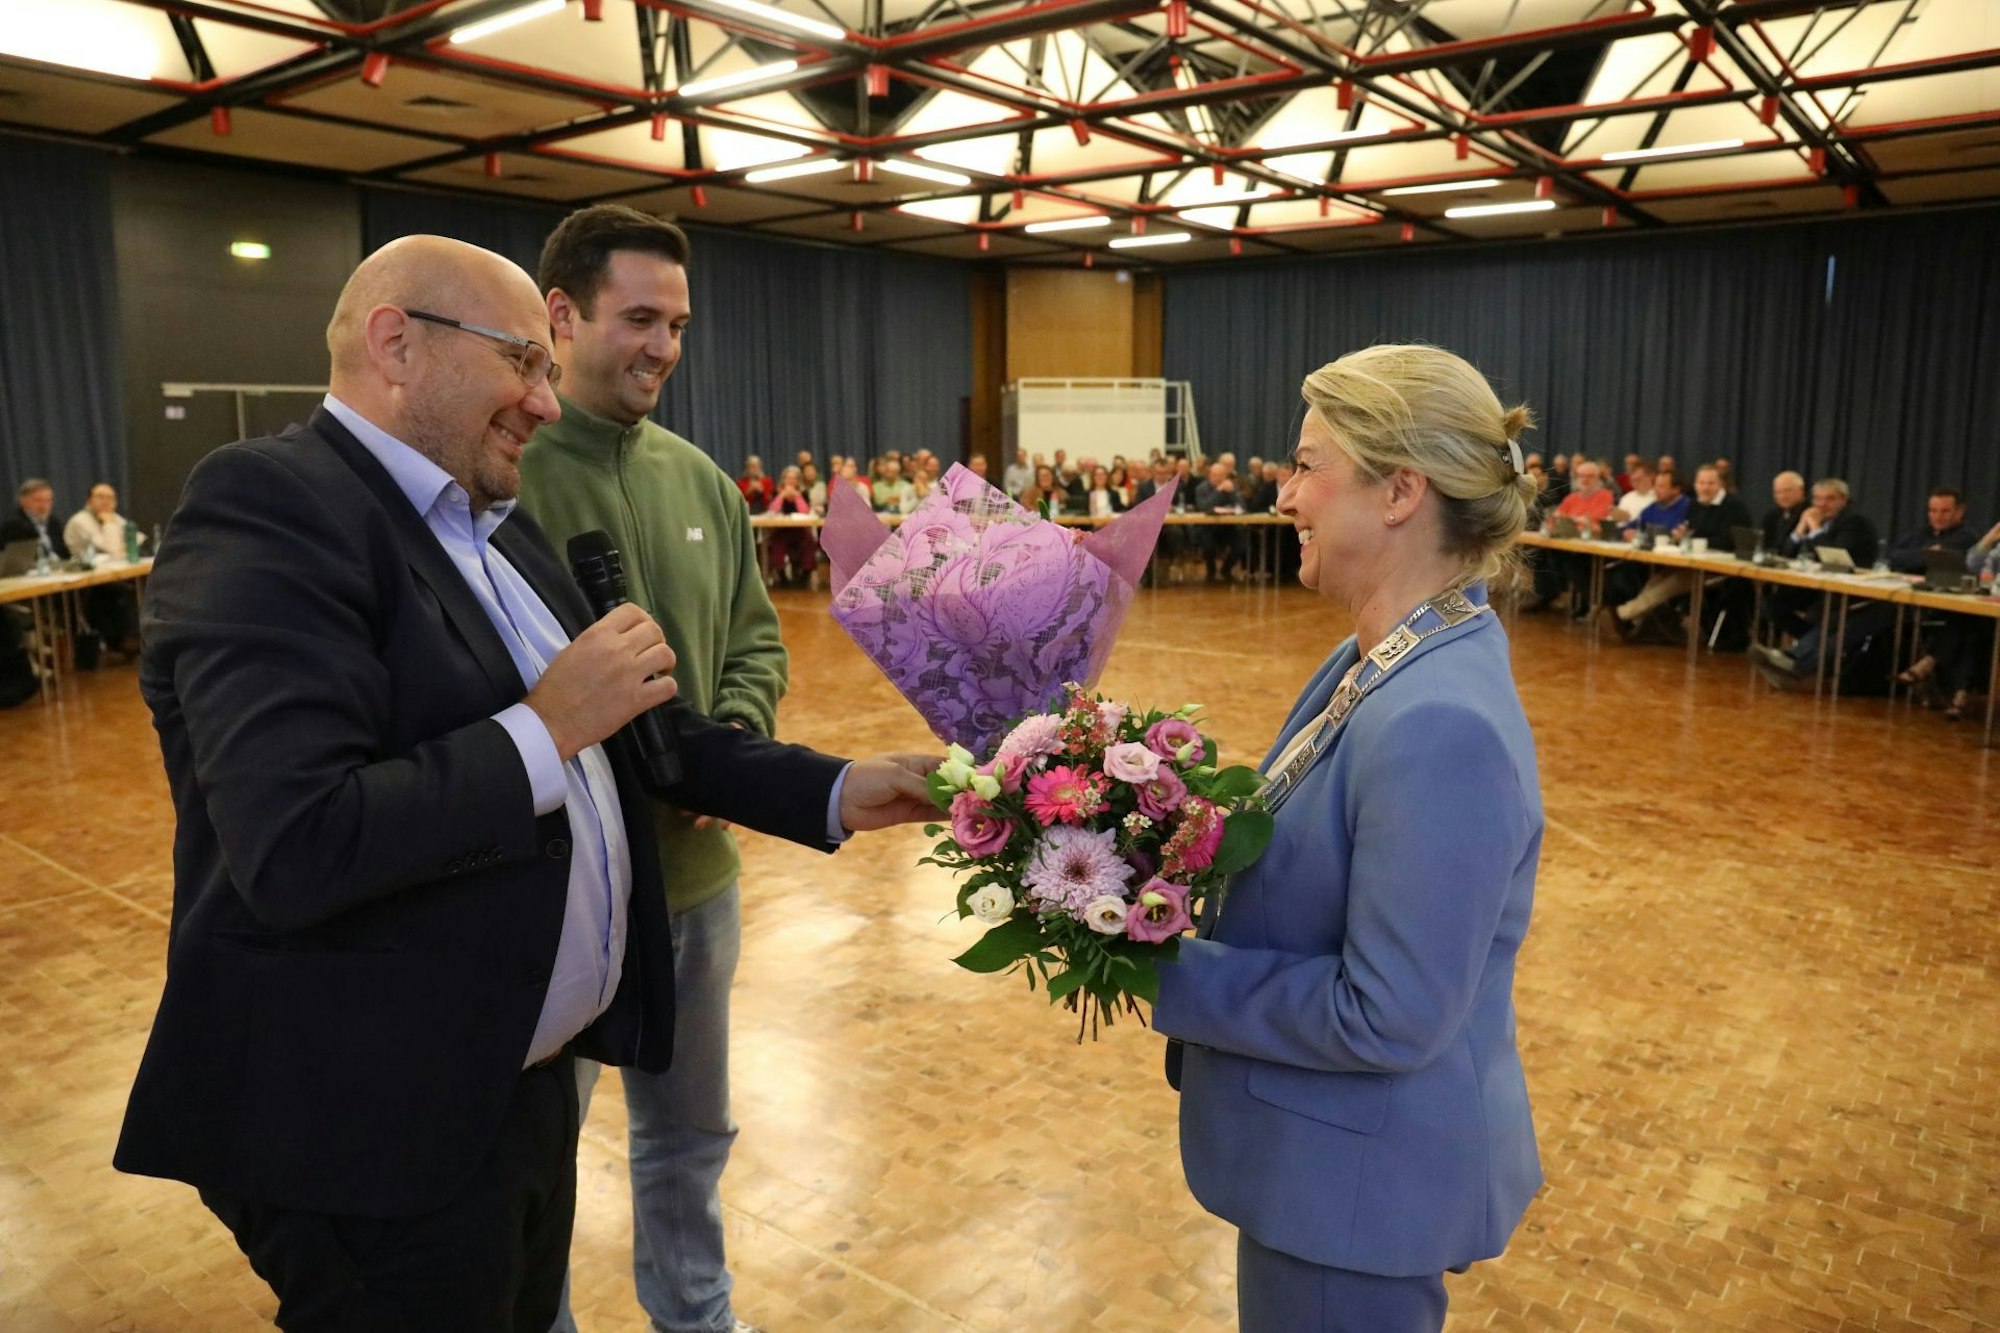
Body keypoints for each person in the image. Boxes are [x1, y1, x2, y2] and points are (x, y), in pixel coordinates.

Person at [112, 234, 936, 1332]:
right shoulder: (271, 504)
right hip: (380, 1126)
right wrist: (544, 726)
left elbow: (651, 733)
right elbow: (297, 840)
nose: (546, 404)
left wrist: (839, 787)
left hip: (514, 1087)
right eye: (523, 362)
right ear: (396, 343)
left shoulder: (498, 532)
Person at [1155, 344, 1542, 1333]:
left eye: (1304, 465)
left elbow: (1388, 1013)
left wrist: (1158, 971)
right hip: (1325, 1168)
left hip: (1354, 1193)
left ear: (1400, 490)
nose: (1284, 495)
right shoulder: (1374, 655)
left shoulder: (1435, 719)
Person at [519, 204, 805, 1333]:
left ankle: (695, 1314)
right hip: (558, 894)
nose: (662, 348)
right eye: (639, 318)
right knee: (536, 1147)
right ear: (561, 314)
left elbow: (756, 636)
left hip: (697, 889)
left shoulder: (699, 481)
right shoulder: (500, 477)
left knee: (689, 1138)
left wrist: (719, 750)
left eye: (677, 325)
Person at [64, 481, 144, 658]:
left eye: (110, 497)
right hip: (86, 584)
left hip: (112, 577)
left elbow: (137, 540)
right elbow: (112, 547)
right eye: (100, 497)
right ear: (89, 500)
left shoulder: (114, 517)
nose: (106, 502)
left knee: (144, 583)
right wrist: (109, 524)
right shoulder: (80, 521)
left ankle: (140, 635)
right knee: (122, 592)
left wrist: (116, 532)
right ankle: (125, 639)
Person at [2, 478, 66, 564]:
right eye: (38, 500)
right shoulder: (14, 525)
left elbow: (64, 553)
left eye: (48, 501)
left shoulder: (54, 522)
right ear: (22, 501)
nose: (44, 506)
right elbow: (15, 560)